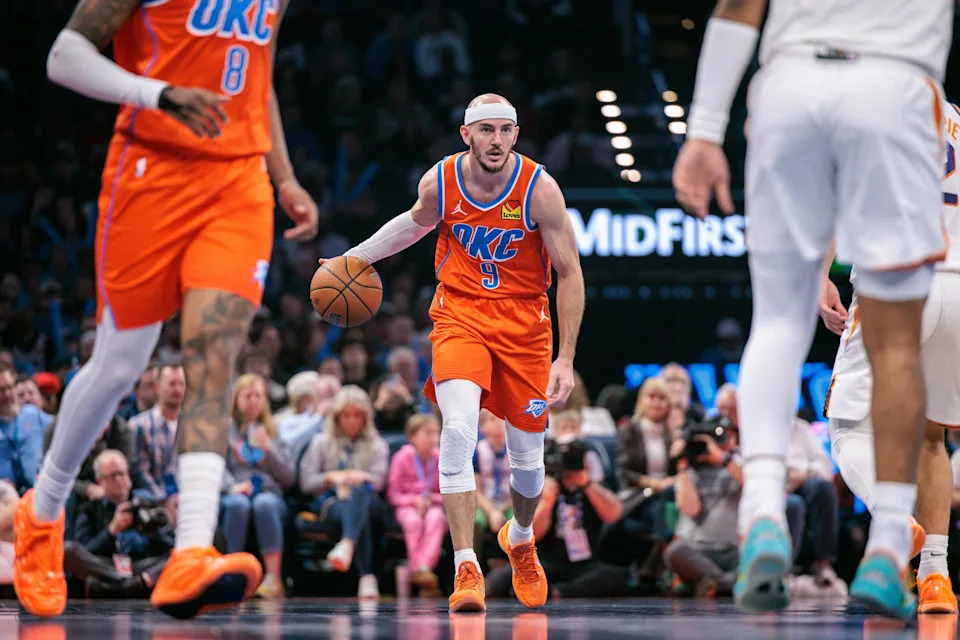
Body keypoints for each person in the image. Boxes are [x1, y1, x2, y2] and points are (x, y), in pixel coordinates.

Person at [19, 0, 319, 619]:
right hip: (150, 171)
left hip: (238, 181)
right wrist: (158, 94)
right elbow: (64, 57)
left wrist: (284, 175)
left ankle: (191, 552)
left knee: (214, 353)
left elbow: (257, 76)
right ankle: (41, 513)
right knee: (119, 367)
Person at [672, 0, 952, 617]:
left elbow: (738, 5)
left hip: (792, 84)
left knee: (776, 321)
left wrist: (704, 130)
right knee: (896, 345)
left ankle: (763, 513)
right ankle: (888, 545)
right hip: (895, 86)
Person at [320, 93, 584, 612]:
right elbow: (415, 222)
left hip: (525, 326)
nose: (496, 140)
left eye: (505, 130)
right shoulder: (439, 181)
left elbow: (570, 274)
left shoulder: (540, 189)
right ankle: (466, 566)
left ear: (516, 134)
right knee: (459, 428)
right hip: (460, 314)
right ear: (466, 135)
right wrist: (355, 258)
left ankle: (520, 537)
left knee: (529, 463)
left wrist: (567, 357)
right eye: (485, 130)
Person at [822, 100, 960, 615]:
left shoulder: (872, 105)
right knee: (931, 436)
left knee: (846, 428)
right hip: (956, 284)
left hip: (898, 282)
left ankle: (893, 519)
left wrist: (821, 274)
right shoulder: (956, 119)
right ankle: (936, 578)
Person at [220, 373, 295, 599]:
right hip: (235, 490)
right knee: (238, 505)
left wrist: (269, 449)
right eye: (248, 396)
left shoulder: (274, 430)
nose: (253, 401)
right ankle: (230, 573)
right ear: (236, 400)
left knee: (265, 504)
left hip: (268, 492)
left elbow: (289, 477)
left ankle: (274, 578)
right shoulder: (225, 430)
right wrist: (232, 486)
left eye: (258, 396)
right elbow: (218, 466)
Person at [63, 450, 174, 599]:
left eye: (122, 474)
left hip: (142, 565)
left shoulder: (147, 503)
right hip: (109, 567)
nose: (120, 480)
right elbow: (86, 550)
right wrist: (110, 532)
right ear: (99, 481)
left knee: (180, 555)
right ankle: (133, 585)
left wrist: (151, 531)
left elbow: (170, 545)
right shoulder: (90, 509)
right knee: (68, 550)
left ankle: (119, 587)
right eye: (113, 476)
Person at [387, 413, 446, 594]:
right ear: (412, 436)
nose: (433, 437)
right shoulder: (401, 458)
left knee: (436, 519)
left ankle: (422, 568)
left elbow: (447, 492)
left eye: (436, 432)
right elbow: (393, 495)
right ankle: (421, 570)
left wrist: (432, 499)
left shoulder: (440, 457)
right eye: (428, 433)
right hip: (408, 506)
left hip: (433, 504)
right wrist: (414, 500)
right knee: (413, 521)